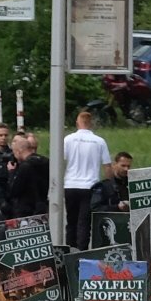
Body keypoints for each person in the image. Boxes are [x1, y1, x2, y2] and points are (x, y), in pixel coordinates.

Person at [60, 105, 109, 247]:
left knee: (71, 221)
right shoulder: (99, 141)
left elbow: (60, 162)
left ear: (77, 123)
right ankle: (81, 251)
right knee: (84, 222)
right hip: (90, 186)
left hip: (70, 185)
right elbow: (107, 166)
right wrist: (110, 186)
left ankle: (69, 249)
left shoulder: (68, 139)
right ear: (91, 123)